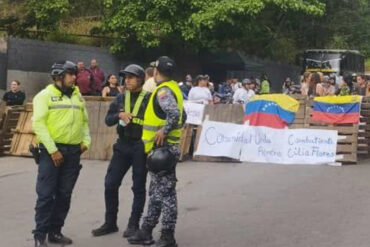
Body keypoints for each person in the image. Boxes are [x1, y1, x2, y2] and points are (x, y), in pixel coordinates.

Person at [128, 56, 186, 247]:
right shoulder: (174, 88)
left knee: (166, 194)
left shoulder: (163, 91)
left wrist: (164, 130)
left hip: (163, 151)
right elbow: (182, 115)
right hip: (160, 149)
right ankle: (146, 230)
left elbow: (175, 114)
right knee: (156, 192)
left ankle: (168, 236)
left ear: (156, 71)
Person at [32, 61, 91, 247]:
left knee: (65, 194)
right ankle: (40, 235)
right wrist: (53, 150)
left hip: (73, 152)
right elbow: (38, 124)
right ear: (59, 76)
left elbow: (84, 122)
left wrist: (86, 142)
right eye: (71, 74)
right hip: (51, 152)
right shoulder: (44, 96)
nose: (75, 77)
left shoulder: (77, 96)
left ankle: (55, 232)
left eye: (75, 74)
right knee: (46, 195)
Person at [92, 64, 150, 239]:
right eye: (126, 77)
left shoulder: (150, 98)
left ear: (140, 79)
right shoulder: (119, 98)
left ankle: (133, 225)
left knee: (138, 187)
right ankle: (110, 223)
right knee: (110, 183)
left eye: (131, 77)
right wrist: (119, 115)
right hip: (123, 145)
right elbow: (108, 120)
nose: (127, 80)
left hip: (141, 147)